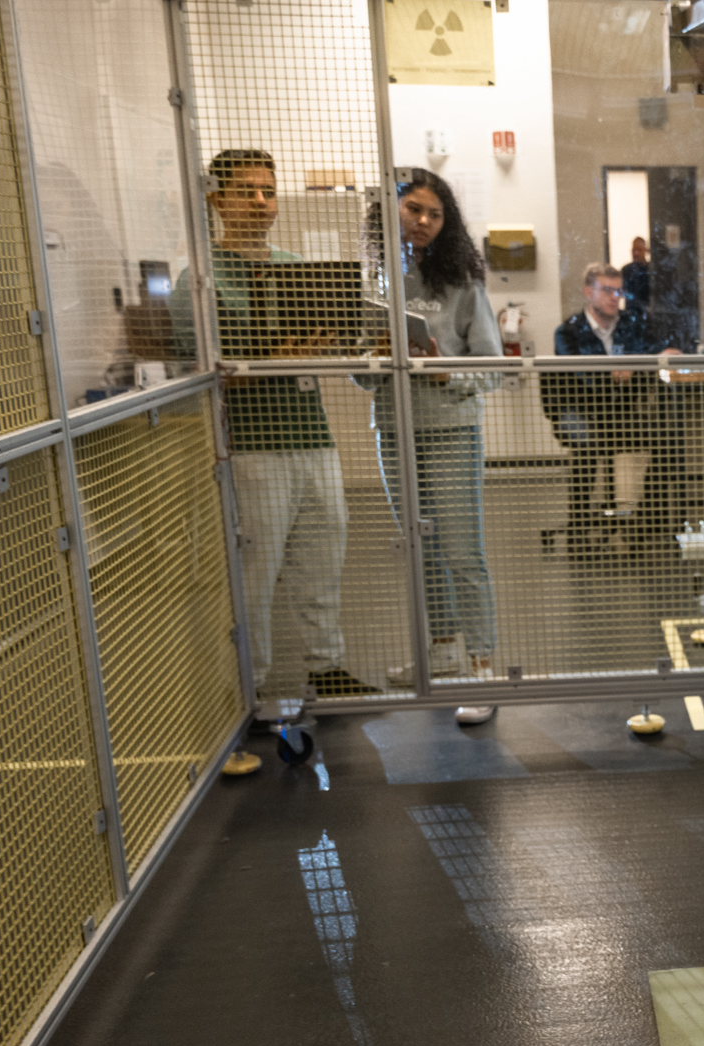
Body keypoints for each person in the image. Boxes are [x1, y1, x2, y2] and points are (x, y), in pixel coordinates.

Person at [170, 148, 379, 713]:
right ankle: (252, 685)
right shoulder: (201, 280)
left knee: (322, 560)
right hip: (252, 448)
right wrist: (283, 355)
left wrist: (339, 340)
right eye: (247, 191)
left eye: (269, 191)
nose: (262, 203)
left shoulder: (296, 267)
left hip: (313, 438)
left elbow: (321, 346)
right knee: (257, 571)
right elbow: (208, 374)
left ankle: (326, 666)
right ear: (216, 199)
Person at [364, 170, 503, 727]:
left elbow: (492, 365)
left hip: (451, 429)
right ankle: (443, 650)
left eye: (434, 214)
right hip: (394, 431)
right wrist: (374, 357)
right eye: (413, 209)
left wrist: (447, 374)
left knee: (462, 551)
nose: (422, 221)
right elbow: (360, 378)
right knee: (419, 545)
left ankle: (483, 666)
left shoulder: (464, 283)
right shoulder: (374, 283)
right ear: (388, 212)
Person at [542, 263, 679, 550]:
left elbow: (651, 347)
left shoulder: (630, 322)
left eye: (618, 291)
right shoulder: (567, 332)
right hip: (577, 412)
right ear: (588, 292)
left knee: (669, 441)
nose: (615, 297)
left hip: (619, 414)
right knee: (588, 446)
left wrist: (658, 354)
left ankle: (646, 522)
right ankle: (579, 529)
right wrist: (616, 371)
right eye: (607, 290)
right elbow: (583, 377)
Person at [621, 235, 650, 315]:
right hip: (630, 314)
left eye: (639, 250)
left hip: (648, 314)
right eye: (634, 250)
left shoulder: (651, 270)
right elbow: (622, 292)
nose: (636, 253)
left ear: (646, 251)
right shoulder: (626, 270)